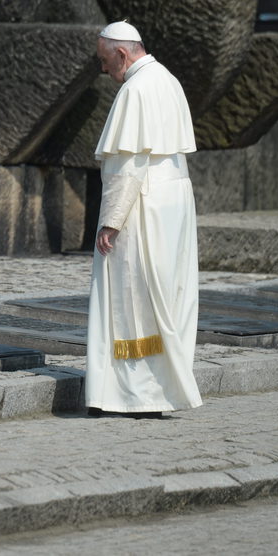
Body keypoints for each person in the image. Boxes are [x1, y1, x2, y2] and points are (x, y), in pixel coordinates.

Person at [85, 21, 203, 419]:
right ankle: (159, 390)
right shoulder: (166, 78)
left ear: (121, 53)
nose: (104, 70)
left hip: (143, 205)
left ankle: (133, 395)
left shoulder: (135, 89)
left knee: (132, 296)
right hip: (175, 202)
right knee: (166, 297)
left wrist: (110, 221)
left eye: (105, 61)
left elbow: (128, 164)